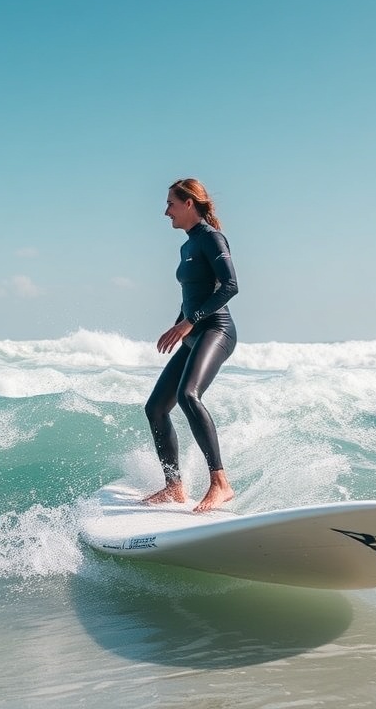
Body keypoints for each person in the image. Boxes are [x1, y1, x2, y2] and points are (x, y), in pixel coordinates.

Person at [143, 178, 239, 512]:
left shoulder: (211, 238)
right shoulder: (186, 246)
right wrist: (179, 324)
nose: (165, 210)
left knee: (188, 395)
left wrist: (189, 321)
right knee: (155, 408)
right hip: (194, 331)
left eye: (170, 203)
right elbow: (192, 294)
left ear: (188, 204)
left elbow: (230, 286)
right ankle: (174, 486)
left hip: (217, 330)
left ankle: (220, 483)